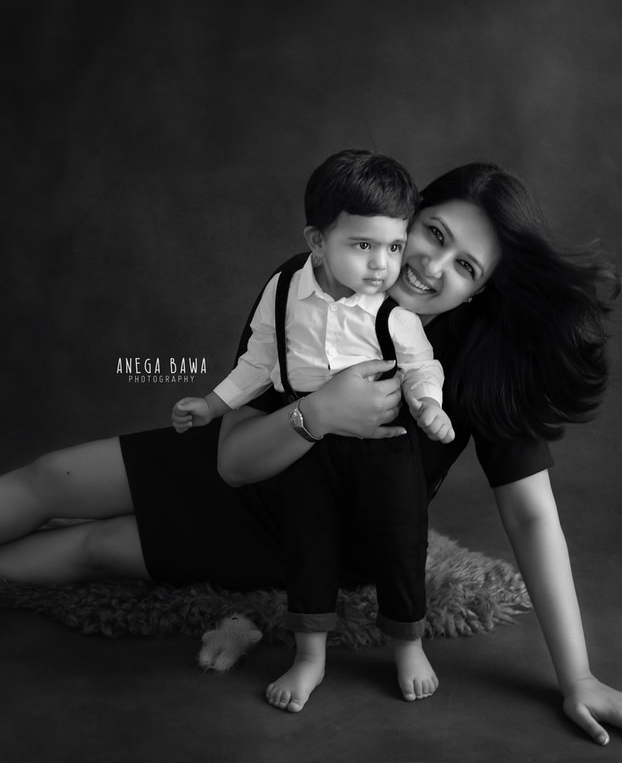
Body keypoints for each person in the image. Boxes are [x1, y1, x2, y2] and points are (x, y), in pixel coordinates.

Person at [0, 162, 622, 754]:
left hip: (314, 533)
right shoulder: (311, 280)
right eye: (432, 235)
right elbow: (236, 454)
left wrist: (579, 678)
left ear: (481, 292)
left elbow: (532, 514)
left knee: (90, 549)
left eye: (464, 267)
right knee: (52, 478)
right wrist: (319, 409)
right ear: (404, 217)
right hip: (254, 455)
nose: (430, 267)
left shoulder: (480, 367)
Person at [172, 150, 454, 711]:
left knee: (401, 539)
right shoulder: (282, 293)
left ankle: (408, 646)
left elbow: (423, 366)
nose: (382, 266)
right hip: (308, 443)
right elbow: (258, 363)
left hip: (382, 447)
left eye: (394, 247)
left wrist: (428, 405)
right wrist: (212, 404)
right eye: (363, 245)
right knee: (309, 542)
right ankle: (309, 657)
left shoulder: (393, 315)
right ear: (318, 241)